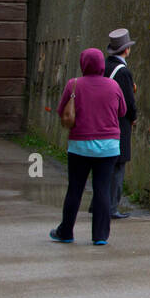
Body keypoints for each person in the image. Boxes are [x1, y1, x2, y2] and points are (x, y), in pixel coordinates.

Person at [50, 48, 127, 247]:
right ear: (101, 64)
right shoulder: (113, 85)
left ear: (83, 63)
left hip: (80, 146)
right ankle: (100, 235)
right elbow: (122, 110)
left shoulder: (73, 84)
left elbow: (62, 111)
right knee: (102, 189)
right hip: (109, 146)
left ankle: (66, 231)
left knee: (75, 189)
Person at [102, 28, 137, 218]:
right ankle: (112, 207)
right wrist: (134, 117)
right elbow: (128, 102)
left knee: (105, 166)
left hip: (103, 121)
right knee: (118, 165)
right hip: (119, 122)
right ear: (126, 50)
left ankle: (98, 203)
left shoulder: (104, 67)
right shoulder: (123, 72)